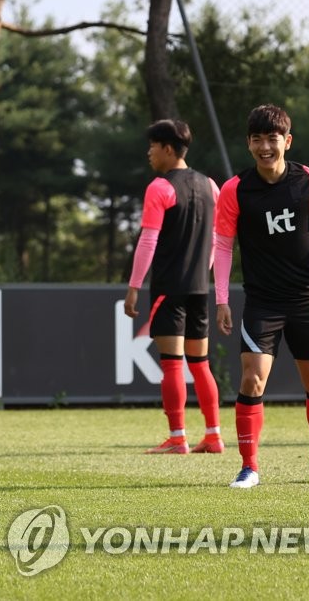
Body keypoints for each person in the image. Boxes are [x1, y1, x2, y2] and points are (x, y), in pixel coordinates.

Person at [214, 104, 309, 488]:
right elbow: (222, 246)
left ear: (287, 141)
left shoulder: (308, 181)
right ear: (248, 144)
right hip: (262, 302)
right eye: (257, 139)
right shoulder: (235, 189)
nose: (265, 147)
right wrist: (221, 298)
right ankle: (249, 467)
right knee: (252, 380)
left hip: (306, 298)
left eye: (272, 139)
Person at [123, 119, 223, 455]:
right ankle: (213, 435)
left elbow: (148, 240)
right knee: (201, 364)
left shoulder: (159, 187)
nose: (148, 152)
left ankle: (177, 437)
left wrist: (134, 286)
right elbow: (216, 241)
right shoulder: (211, 185)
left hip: (168, 287)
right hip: (199, 288)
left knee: (171, 363)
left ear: (168, 148)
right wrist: (204, 273)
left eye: (152, 146)